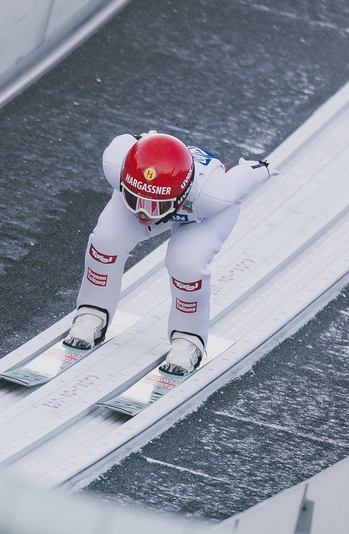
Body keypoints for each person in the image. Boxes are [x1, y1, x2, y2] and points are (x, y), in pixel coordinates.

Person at [63, 131, 273, 375]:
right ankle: (92, 310)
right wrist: (144, 143)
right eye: (133, 199)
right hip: (168, 194)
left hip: (201, 214)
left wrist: (262, 168)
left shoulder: (214, 195)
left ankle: (189, 338)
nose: (142, 213)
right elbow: (130, 143)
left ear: (181, 197)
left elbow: (244, 175)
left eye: (155, 206)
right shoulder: (116, 164)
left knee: (185, 263)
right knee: (106, 239)